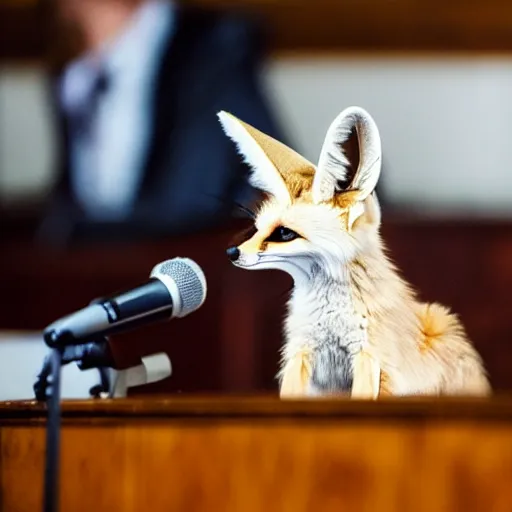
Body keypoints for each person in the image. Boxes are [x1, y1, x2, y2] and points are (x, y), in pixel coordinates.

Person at [39, 0, 286, 244]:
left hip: (187, 265)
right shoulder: (72, 67)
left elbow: (186, 206)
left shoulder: (213, 48)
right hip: (92, 267)